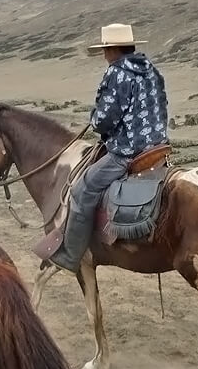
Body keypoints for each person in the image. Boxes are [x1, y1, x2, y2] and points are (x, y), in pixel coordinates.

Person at [49, 23, 170, 274]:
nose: (105, 55)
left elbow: (105, 119)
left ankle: (71, 255)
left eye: (106, 50)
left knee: (83, 189)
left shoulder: (116, 73)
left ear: (114, 49)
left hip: (129, 151)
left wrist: (95, 119)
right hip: (158, 147)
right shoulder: (151, 70)